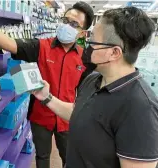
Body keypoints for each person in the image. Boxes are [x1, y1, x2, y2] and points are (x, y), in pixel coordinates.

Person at [0, 2, 94, 167]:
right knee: (42, 157)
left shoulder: (86, 58)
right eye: (65, 20)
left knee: (71, 159)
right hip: (40, 116)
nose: (67, 26)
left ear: (82, 33)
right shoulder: (41, 46)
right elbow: (11, 44)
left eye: (74, 24)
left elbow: (88, 91)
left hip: (68, 118)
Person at [32, 7, 158, 168]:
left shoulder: (141, 108)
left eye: (92, 41)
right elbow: (81, 113)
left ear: (114, 53)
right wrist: (47, 97)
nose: (85, 45)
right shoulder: (94, 80)